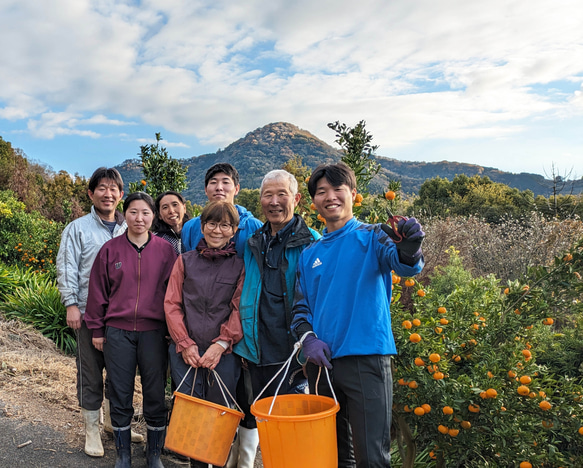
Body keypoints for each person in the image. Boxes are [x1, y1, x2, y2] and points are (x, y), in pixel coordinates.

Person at [291, 163, 425, 468]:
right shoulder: (309, 253)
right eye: (322, 191)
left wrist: (411, 247)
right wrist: (308, 339)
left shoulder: (374, 236)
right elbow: (300, 309)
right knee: (332, 455)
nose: (330, 196)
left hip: (366, 359)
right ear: (314, 203)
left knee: (372, 457)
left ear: (353, 194)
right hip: (321, 365)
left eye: (338, 189)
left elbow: (405, 265)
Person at [229, 170, 320, 468]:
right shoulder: (254, 241)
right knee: (259, 416)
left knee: (289, 424)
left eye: (282, 194)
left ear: (296, 199)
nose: (274, 201)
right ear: (260, 201)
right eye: (268, 195)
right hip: (258, 350)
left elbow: (321, 300)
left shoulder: (313, 243)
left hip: (294, 353)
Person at [85, 192, 177, 468]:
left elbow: (173, 293)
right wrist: (97, 330)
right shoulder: (110, 250)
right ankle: (123, 455)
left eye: (146, 213)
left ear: (153, 217)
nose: (140, 218)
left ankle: (153, 454)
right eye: (134, 212)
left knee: (154, 391)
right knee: (120, 391)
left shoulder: (165, 250)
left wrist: (171, 329)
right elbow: (97, 292)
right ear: (126, 215)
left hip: (153, 332)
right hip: (117, 331)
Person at [56, 167, 143, 458]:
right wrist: (71, 304)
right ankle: (92, 429)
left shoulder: (129, 228)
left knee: (120, 374)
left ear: (121, 194)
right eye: (102, 188)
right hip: (86, 312)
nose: (108, 194)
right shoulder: (78, 228)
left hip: (121, 317)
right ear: (91, 193)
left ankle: (115, 424)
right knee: (91, 373)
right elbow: (66, 266)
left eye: (113, 189)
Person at [165, 201, 245, 468]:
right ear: (201, 226)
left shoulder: (240, 265)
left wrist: (221, 344)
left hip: (223, 354)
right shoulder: (184, 261)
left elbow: (239, 308)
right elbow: (172, 304)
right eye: (212, 223)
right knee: (191, 416)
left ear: (234, 230)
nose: (217, 230)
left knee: (218, 417)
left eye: (225, 225)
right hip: (185, 351)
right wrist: (184, 343)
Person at [181, 163, 262, 256]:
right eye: (213, 182)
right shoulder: (190, 228)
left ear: (236, 189)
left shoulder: (255, 227)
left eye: (225, 182)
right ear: (205, 190)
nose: (219, 188)